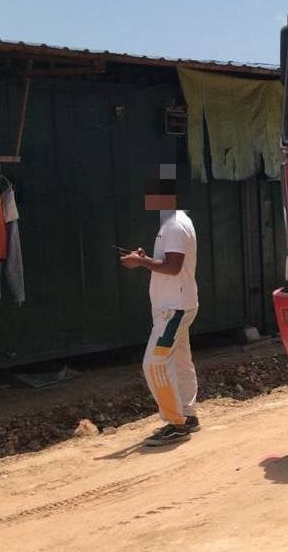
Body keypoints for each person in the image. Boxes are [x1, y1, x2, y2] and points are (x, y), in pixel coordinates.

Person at [120, 165, 200, 446]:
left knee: (154, 364)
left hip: (173, 309)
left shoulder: (174, 225)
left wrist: (140, 262)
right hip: (178, 305)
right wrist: (145, 257)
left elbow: (173, 266)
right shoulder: (177, 222)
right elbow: (168, 262)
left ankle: (176, 423)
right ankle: (188, 415)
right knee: (179, 361)